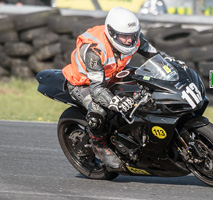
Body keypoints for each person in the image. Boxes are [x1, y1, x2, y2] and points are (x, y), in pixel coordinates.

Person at [62, 7, 183, 170]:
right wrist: (115, 102)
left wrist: (172, 63)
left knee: (146, 89)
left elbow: (155, 56)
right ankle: (100, 146)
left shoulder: (135, 38)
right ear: (111, 32)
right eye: (124, 36)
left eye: (132, 35)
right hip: (83, 83)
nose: (129, 40)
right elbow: (97, 90)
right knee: (98, 111)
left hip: (112, 75)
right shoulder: (95, 51)